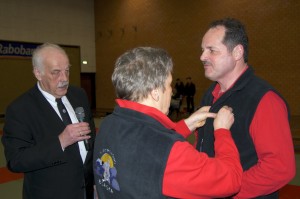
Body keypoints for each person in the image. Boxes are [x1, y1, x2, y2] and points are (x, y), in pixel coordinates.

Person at [93, 47, 242, 199]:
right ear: (155, 92)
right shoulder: (171, 152)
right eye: (169, 84)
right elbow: (231, 179)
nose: (171, 91)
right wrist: (222, 131)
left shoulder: (108, 124)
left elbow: (143, 149)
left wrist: (186, 125)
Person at [198, 18, 296, 199]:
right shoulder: (210, 94)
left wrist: (227, 189)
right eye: (203, 50)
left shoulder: (264, 100)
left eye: (211, 50)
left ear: (237, 52)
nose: (202, 57)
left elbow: (279, 168)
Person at [2, 43, 96, 199]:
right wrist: (60, 142)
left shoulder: (79, 95)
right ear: (38, 73)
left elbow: (91, 145)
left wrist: (95, 184)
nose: (64, 79)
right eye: (56, 73)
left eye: (67, 71)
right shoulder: (20, 109)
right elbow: (16, 161)